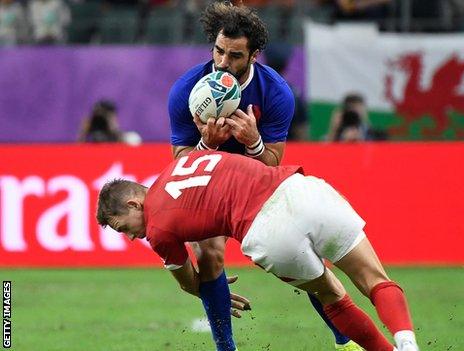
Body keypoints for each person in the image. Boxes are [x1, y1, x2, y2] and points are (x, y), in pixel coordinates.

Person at [166, 1, 358, 350]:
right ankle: (226, 348)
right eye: (219, 51)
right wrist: (207, 146)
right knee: (209, 254)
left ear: (254, 55)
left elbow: (272, 164)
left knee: (306, 260)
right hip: (210, 186)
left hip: (256, 186)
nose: (223, 63)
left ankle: (347, 341)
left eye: (235, 56)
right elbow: (182, 165)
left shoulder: (276, 93)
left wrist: (252, 142)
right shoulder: (186, 91)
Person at [96, 150, 420, 351]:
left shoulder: (158, 230)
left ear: (133, 203)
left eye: (124, 228)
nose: (131, 237)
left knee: (332, 295)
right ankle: (407, 342)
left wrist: (214, 294)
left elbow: (189, 282)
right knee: (374, 278)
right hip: (300, 190)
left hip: (268, 231)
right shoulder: (184, 163)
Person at [78, 100, 142, 145]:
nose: (100, 122)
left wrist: (115, 133)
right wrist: (83, 133)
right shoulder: (90, 135)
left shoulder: (129, 137)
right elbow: (77, 154)